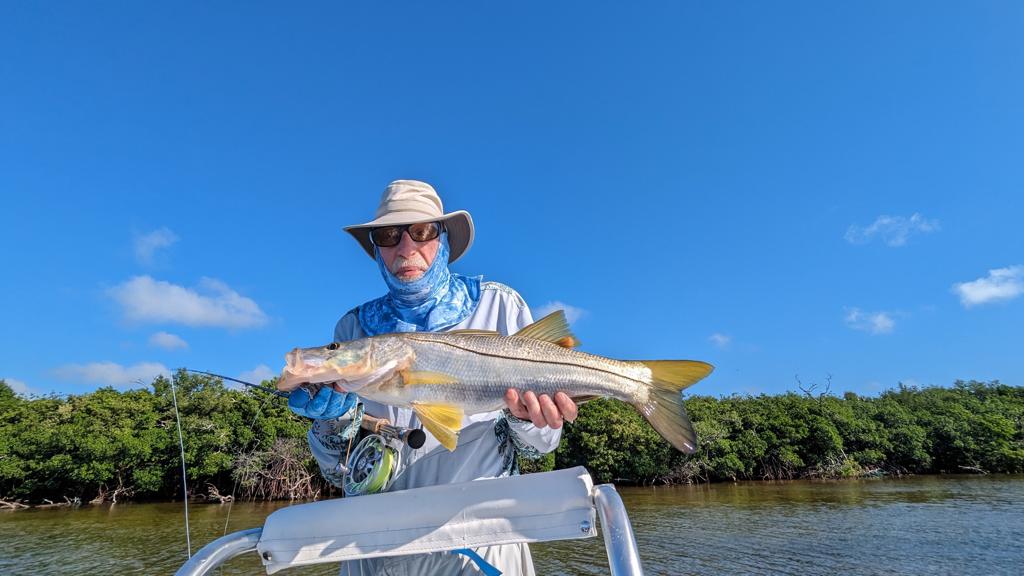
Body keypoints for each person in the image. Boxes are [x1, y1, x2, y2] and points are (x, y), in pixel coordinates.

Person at [288, 179, 578, 575]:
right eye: (388, 235)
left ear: (442, 239)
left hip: (484, 540)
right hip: (376, 544)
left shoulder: (499, 304)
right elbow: (337, 468)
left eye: (421, 231)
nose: (406, 249)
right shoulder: (352, 328)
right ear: (376, 249)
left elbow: (539, 448)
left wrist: (529, 419)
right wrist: (331, 425)